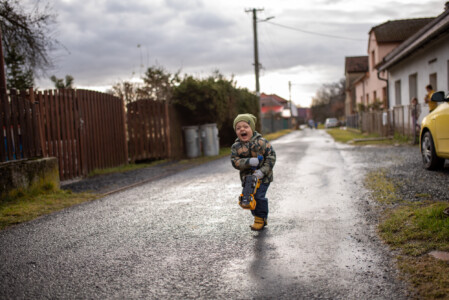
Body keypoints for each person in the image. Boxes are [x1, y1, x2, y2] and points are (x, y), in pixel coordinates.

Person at [231, 114, 276, 231]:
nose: (242, 129)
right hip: (248, 179)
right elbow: (235, 162)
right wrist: (249, 161)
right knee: (248, 198)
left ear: (252, 128)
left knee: (258, 197)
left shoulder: (262, 142)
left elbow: (271, 157)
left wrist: (262, 171)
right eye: (238, 128)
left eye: (245, 126)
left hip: (263, 178)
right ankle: (258, 216)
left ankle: (260, 218)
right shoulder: (236, 147)